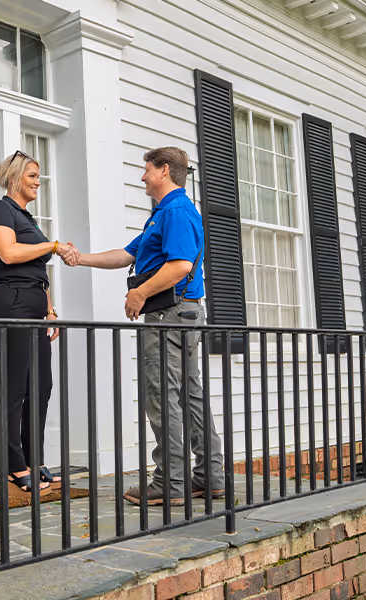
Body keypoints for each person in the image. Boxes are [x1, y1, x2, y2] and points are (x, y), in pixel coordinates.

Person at [61, 147, 225, 506]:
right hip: (183, 313)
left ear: (164, 171)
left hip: (170, 313)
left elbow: (181, 265)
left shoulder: (176, 211)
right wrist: (79, 258)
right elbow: (127, 254)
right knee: (189, 394)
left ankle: (170, 482)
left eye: (147, 170)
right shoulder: (164, 213)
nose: (143, 177)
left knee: (161, 395)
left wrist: (140, 296)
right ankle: (209, 477)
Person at [0, 150, 79, 497]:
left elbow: (39, 271)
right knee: (15, 388)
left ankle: (34, 458)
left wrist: (50, 311)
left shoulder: (28, 219)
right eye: (33, 176)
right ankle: (13, 465)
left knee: (41, 385)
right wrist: (52, 245)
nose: (38, 181)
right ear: (14, 178)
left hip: (34, 306)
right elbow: (8, 254)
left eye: (39, 176)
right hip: (9, 303)